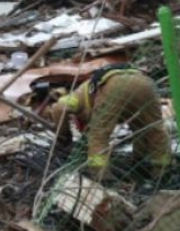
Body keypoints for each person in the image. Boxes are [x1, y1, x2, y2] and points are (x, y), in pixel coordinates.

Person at [43, 64, 172, 182]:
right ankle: (158, 170)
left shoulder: (79, 96)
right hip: (146, 83)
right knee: (152, 129)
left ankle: (102, 177)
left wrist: (64, 138)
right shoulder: (91, 94)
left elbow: (58, 108)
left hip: (114, 84)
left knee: (98, 135)